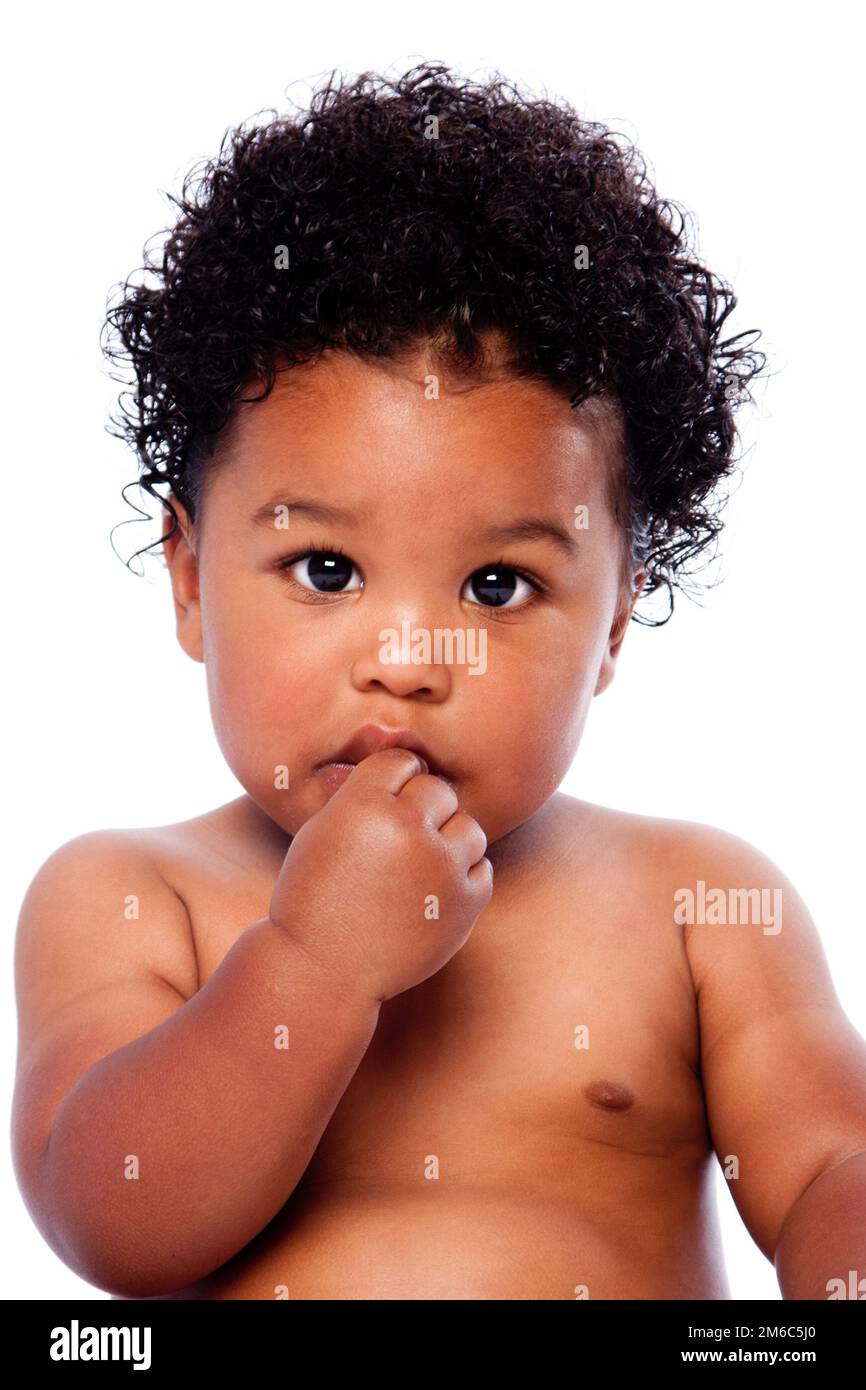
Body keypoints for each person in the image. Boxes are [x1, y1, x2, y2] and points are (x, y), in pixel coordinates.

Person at [11, 62, 866, 1300]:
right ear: (191, 580)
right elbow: (111, 1222)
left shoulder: (699, 902)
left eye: (495, 587)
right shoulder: (137, 897)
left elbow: (827, 1165)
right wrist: (310, 966)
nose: (407, 662)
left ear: (615, 620)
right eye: (324, 566)